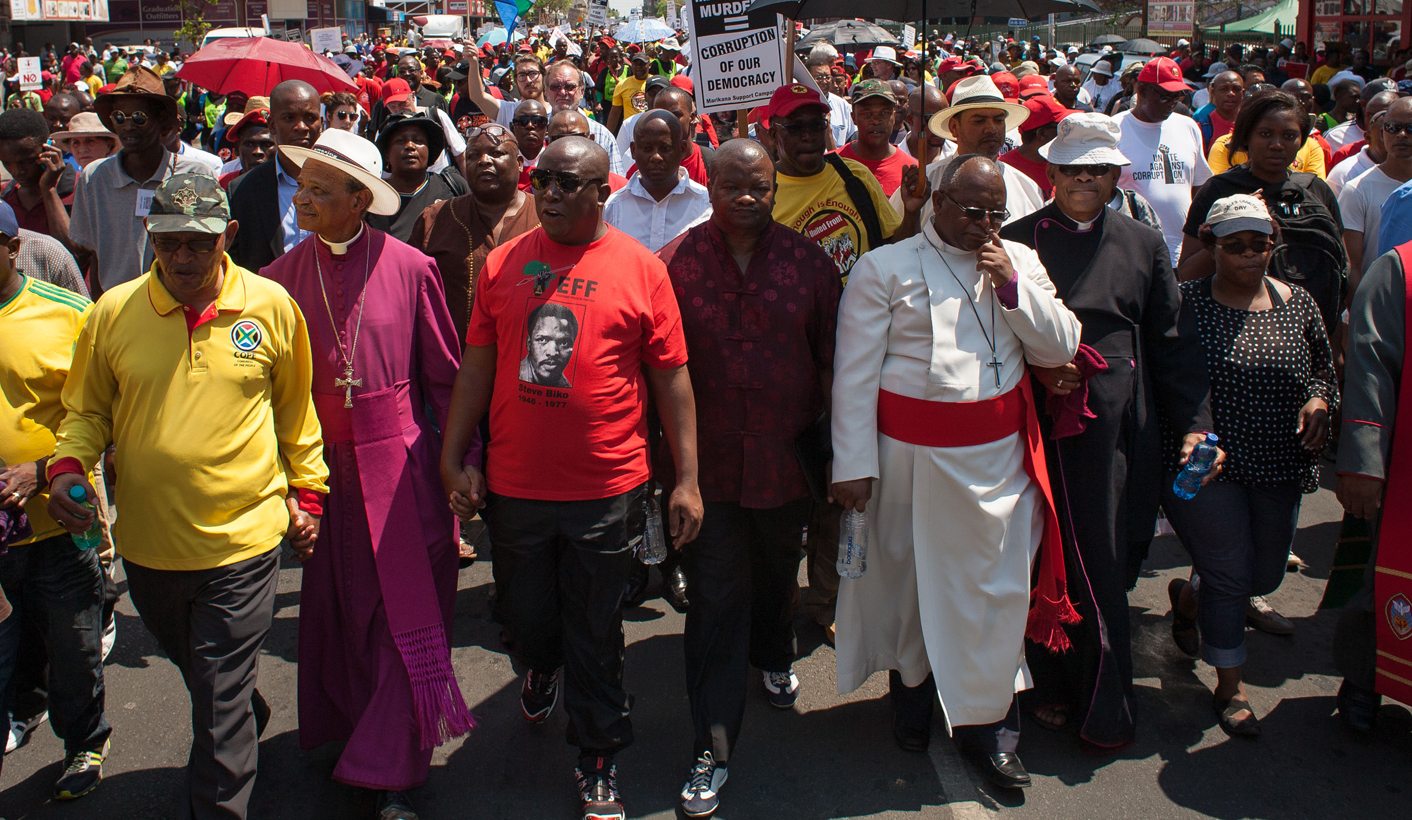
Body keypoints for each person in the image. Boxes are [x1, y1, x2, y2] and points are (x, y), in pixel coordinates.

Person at [48, 173, 327, 817]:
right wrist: (67, 466)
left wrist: (308, 494)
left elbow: (296, 412)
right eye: (168, 241)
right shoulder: (112, 312)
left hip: (244, 542)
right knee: (210, 679)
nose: (182, 257)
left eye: (199, 243)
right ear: (150, 235)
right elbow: (86, 411)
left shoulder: (271, 305)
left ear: (228, 236)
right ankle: (241, 707)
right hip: (150, 548)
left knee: (217, 699)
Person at [440, 137, 702, 820]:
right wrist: (453, 454)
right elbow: (477, 365)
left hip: (607, 488)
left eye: (567, 182)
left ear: (600, 192)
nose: (550, 193)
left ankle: (598, 756)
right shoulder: (504, 263)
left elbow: (671, 379)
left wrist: (686, 479)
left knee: (596, 630)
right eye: (544, 181)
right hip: (516, 487)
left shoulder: (642, 270)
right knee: (527, 619)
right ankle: (542, 663)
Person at [830, 154, 1081, 788]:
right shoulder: (884, 267)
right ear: (937, 202)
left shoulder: (1019, 261)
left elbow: (1060, 346)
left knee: (994, 595)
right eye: (972, 211)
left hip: (997, 466)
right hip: (907, 464)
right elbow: (855, 375)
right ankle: (912, 699)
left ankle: (990, 728)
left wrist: (1012, 287)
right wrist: (853, 465)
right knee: (912, 590)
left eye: (996, 213)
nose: (985, 225)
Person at [259, 128, 473, 820]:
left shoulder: (411, 267)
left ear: (359, 200)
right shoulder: (276, 281)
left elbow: (445, 379)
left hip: (402, 469)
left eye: (319, 190)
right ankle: (353, 735)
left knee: (400, 616)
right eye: (302, 186)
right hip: (320, 474)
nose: (302, 199)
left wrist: (462, 463)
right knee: (338, 613)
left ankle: (392, 769)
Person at [1000, 113, 1213, 751]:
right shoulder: (1015, 241)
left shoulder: (1142, 243)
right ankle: (1047, 684)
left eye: (1097, 170)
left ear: (1116, 175)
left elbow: (1171, 342)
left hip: (1116, 428)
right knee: (1035, 553)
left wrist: (1196, 426)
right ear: (1052, 172)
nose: (1084, 181)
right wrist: (1043, 369)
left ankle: (1102, 699)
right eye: (1072, 170)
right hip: (1034, 421)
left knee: (1103, 557)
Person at [657, 139, 841, 818]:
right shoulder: (670, 265)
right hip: (701, 475)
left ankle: (773, 653)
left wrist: (841, 457)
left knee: (775, 574)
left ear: (774, 189)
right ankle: (712, 745)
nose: (746, 197)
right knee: (713, 601)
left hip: (785, 467)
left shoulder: (810, 266)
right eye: (732, 185)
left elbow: (833, 365)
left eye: (759, 187)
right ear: (708, 187)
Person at [1163, 194, 1336, 736]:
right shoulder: (1186, 303)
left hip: (1279, 464)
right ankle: (1230, 687)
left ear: (1272, 245)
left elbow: (1324, 370)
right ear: (1210, 246)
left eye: (1258, 245)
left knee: (1262, 575)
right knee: (1230, 573)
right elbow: (1167, 380)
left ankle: (1189, 599)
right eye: (1234, 245)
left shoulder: (1299, 303)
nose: (1247, 255)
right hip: (1210, 468)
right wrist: (1192, 434)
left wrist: (1319, 400)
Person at [0, 198, 110, 801]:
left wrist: (42, 470)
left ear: (14, 248)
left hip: (58, 523)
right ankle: (21, 711)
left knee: (73, 643)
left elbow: (104, 410)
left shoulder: (68, 314)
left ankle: (85, 741)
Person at [1331, 231, 1412, 732]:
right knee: (1381, 579)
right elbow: (1369, 367)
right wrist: (1364, 462)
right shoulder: (1399, 271)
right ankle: (1364, 681)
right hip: (1404, 468)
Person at [68, 66, 217, 294]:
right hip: (116, 303)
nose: (128, 126)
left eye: (139, 118)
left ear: (162, 122)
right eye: (119, 117)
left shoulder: (196, 174)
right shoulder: (94, 177)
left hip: (178, 301)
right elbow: (93, 254)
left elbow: (211, 249)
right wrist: (101, 308)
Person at [765, 83, 911, 280]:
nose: (807, 136)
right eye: (795, 128)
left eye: (816, 125)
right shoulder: (764, 193)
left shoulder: (855, 175)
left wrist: (912, 212)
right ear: (774, 135)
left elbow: (897, 250)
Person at [410, 122, 538, 338]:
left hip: (527, 354)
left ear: (518, 164)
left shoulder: (544, 217)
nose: (483, 161)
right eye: (473, 156)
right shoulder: (435, 218)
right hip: (453, 354)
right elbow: (409, 290)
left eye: (496, 153)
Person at [1115, 57, 1213, 266]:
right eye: (1165, 96)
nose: (1172, 103)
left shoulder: (1188, 127)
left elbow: (1200, 186)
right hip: (1135, 253)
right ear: (1141, 90)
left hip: (1181, 253)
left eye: (1177, 96)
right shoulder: (1115, 129)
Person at [921, 75, 1041, 226]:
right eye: (979, 121)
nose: (991, 129)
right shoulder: (925, 184)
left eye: (998, 120)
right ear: (954, 127)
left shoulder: (1027, 189)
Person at [228, 80, 322, 273]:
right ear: (272, 125)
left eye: (310, 118)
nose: (301, 127)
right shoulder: (242, 189)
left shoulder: (342, 181)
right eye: (289, 118)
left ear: (321, 122)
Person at [604, 111, 710, 252]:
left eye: (665, 148)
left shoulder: (705, 203)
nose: (656, 157)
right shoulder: (612, 207)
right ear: (634, 151)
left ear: (682, 149)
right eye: (647, 149)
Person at [1340, 97, 1412, 291]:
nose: (1402, 135)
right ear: (1382, 133)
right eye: (1393, 128)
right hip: (1382, 300)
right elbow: (1352, 266)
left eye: (1410, 128)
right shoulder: (1356, 190)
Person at [368, 113, 466, 242]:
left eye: (418, 140)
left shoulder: (453, 186)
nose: (410, 146)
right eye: (400, 141)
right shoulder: (371, 198)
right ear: (386, 154)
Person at [1207, 84, 1328, 178]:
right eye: (1265, 134)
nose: (1277, 145)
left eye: (1289, 136)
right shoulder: (1218, 186)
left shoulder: (1314, 187)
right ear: (1246, 136)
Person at [0, 107, 75, 240]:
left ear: (49, 147)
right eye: (7, 163)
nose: (17, 171)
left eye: (27, 161)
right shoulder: (6, 195)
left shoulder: (80, 188)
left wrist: (48, 190)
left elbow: (73, 249)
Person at [836, 80, 918, 197]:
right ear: (853, 117)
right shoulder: (831, 165)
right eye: (867, 114)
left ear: (894, 115)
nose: (875, 121)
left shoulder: (912, 172)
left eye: (884, 113)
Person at [999, 95, 1069, 198]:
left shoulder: (1066, 163)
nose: (1067, 132)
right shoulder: (1003, 171)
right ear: (1042, 134)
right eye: (1062, 127)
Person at [1327, 90, 1396, 194]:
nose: (1401, 135)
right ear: (1367, 138)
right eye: (1389, 129)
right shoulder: (1344, 174)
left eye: (1409, 128)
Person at [218, 106, 275, 190]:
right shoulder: (221, 185)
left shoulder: (292, 186)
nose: (257, 152)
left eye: (267, 144)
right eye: (249, 144)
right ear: (236, 149)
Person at [1195, 69, 1244, 153]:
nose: (1230, 93)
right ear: (1213, 92)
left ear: (1243, 93)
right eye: (1224, 89)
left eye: (1236, 89)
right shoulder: (1201, 129)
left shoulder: (1252, 126)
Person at [49, 111, 117, 170]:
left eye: (90, 142)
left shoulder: (118, 176)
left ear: (109, 145)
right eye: (76, 143)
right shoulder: (70, 175)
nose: (82, 150)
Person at [607, 50, 651, 134]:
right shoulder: (622, 85)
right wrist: (608, 135)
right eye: (635, 64)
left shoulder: (655, 83)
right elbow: (615, 114)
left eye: (642, 64)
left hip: (650, 129)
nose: (638, 67)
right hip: (630, 131)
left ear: (649, 65)